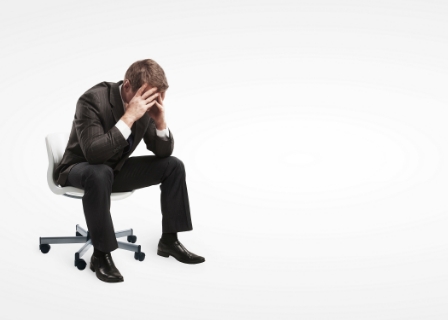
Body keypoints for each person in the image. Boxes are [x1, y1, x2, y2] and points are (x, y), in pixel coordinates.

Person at [54, 59, 205, 283]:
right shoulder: (92, 100)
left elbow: (162, 152)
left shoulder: (144, 107)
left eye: (155, 97)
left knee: (173, 165)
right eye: (146, 96)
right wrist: (129, 117)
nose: (149, 102)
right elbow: (94, 155)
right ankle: (101, 254)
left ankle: (169, 241)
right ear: (127, 86)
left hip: (114, 170)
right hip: (79, 168)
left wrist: (161, 122)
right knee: (99, 172)